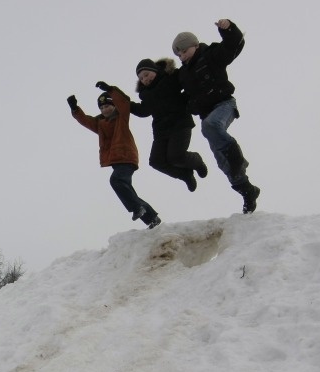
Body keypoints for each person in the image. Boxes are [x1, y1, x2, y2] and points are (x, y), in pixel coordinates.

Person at [173, 19, 261, 213]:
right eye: (178, 53)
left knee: (211, 126)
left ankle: (236, 155)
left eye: (184, 50)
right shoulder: (183, 74)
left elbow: (233, 45)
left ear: (195, 46)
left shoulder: (210, 55)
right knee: (223, 162)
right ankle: (247, 191)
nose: (181, 56)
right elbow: (168, 89)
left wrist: (228, 28)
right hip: (206, 114)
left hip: (224, 104)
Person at [68, 82, 162, 229]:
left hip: (126, 156)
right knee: (127, 190)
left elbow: (123, 102)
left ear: (114, 106)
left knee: (116, 180)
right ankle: (152, 219)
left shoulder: (121, 117)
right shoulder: (100, 124)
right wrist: (75, 108)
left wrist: (110, 90)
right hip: (116, 161)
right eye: (102, 107)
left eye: (108, 106)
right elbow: (86, 121)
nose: (105, 109)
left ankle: (138, 209)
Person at [129, 57, 208, 192]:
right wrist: (125, 103)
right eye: (141, 78)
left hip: (180, 124)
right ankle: (185, 175)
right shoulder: (146, 95)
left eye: (146, 75)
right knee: (156, 161)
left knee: (176, 156)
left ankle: (197, 161)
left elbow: (188, 80)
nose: (145, 79)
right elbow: (143, 111)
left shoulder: (171, 77)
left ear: (155, 70)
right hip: (161, 131)